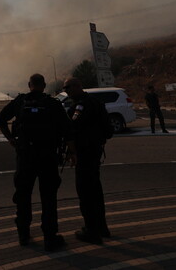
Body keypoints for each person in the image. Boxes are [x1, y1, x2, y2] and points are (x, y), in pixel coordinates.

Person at [0, 73, 74, 251]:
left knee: (23, 196)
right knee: (49, 198)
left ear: (29, 84)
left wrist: (10, 138)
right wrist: (72, 152)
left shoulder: (20, 101)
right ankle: (50, 237)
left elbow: (1, 120)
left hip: (25, 156)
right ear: (44, 85)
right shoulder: (52, 103)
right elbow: (67, 129)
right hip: (47, 156)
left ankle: (23, 235)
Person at [63, 77, 111, 244]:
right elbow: (108, 129)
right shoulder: (96, 102)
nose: (67, 91)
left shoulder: (81, 106)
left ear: (78, 86)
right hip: (96, 151)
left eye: (68, 87)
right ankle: (102, 227)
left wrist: (71, 150)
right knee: (96, 191)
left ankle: (91, 231)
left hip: (85, 154)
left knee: (85, 192)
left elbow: (73, 128)